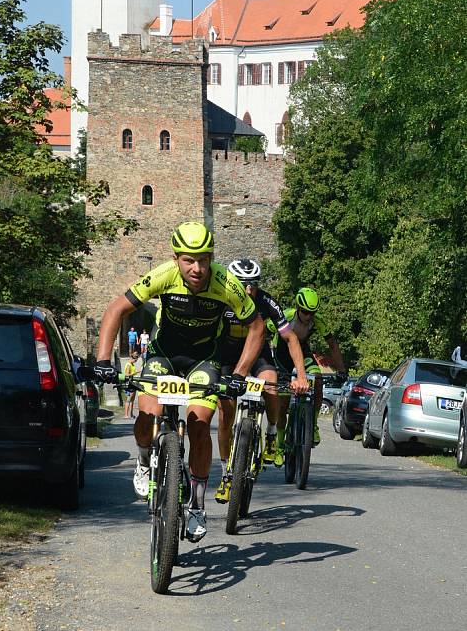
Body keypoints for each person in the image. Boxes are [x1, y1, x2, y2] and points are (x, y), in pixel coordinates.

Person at [94, 221, 264, 543]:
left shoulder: (226, 283)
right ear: (176, 259)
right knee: (147, 415)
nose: (197, 268)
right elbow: (117, 308)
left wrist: (239, 374)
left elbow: (256, 328)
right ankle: (144, 463)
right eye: (189, 260)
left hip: (204, 360)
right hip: (164, 355)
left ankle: (197, 506)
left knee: (199, 427)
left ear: (211, 257)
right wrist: (103, 361)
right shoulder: (163, 275)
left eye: (204, 259)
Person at [214, 259, 309, 503]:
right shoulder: (220, 298)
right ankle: (226, 472)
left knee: (271, 383)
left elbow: (290, 339)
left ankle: (270, 434)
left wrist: (301, 375)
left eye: (253, 284)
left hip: (258, 354)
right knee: (225, 413)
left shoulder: (266, 302)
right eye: (243, 284)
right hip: (227, 356)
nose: (248, 290)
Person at [269, 287, 346, 465]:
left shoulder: (317, 321)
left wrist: (341, 369)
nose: (308, 316)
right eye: (305, 312)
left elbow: (332, 344)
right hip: (281, 356)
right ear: (297, 308)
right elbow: (262, 330)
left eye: (312, 312)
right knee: (282, 406)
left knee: (317, 383)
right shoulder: (286, 315)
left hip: (303, 354)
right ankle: (280, 445)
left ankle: (313, 425)